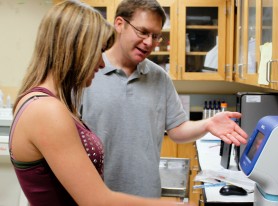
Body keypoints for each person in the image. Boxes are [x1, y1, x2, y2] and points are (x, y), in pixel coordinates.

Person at [9, 1, 191, 205]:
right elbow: (97, 201)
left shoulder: (40, 100)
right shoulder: (47, 110)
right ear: (76, 48)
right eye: (99, 50)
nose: (103, 62)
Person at [81, 0, 248, 198]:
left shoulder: (159, 77)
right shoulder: (87, 73)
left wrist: (207, 124)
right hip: (95, 196)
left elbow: (176, 130)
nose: (149, 43)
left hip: (146, 196)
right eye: (142, 32)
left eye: (156, 36)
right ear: (119, 24)